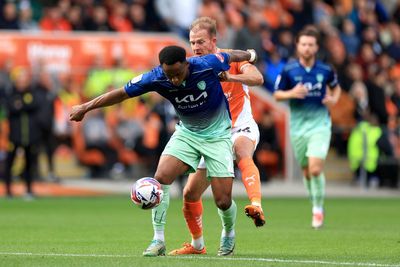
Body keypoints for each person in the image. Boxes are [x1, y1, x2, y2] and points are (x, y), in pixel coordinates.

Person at [69, 45, 258, 255]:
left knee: (222, 200)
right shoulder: (155, 77)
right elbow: (121, 93)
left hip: (218, 135)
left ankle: (228, 234)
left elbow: (231, 55)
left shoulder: (207, 64)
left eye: (178, 74)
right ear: (162, 68)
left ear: (186, 64)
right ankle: (158, 240)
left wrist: (250, 55)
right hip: (187, 134)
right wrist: (85, 107)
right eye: (170, 75)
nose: (174, 80)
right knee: (161, 176)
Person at [167, 17, 265, 257]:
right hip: (211, 135)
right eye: (192, 42)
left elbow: (258, 79)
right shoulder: (191, 66)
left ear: (213, 40)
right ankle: (197, 245)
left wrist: (231, 77)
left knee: (242, 152)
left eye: (200, 41)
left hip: (239, 128)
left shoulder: (230, 60)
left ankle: (255, 205)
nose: (196, 46)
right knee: (191, 195)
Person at [273, 26, 341, 229]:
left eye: (311, 45)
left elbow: (336, 89)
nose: (307, 48)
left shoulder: (326, 70)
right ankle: (315, 202)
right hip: (298, 126)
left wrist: (333, 100)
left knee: (315, 168)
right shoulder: (289, 70)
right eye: (304, 44)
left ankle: (317, 209)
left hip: (320, 124)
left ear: (316, 47)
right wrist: (291, 93)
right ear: (297, 46)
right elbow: (277, 94)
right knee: (306, 171)